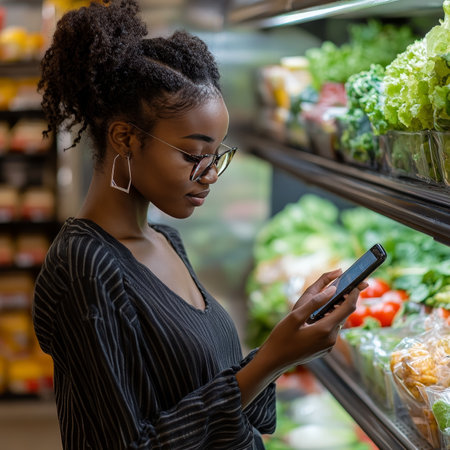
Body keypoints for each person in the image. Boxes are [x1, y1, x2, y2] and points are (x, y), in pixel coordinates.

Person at [33, 1, 367, 449]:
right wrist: (271, 358)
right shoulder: (85, 265)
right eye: (193, 155)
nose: (210, 174)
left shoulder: (165, 239)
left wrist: (286, 340)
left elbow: (205, 389)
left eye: (217, 157)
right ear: (124, 138)